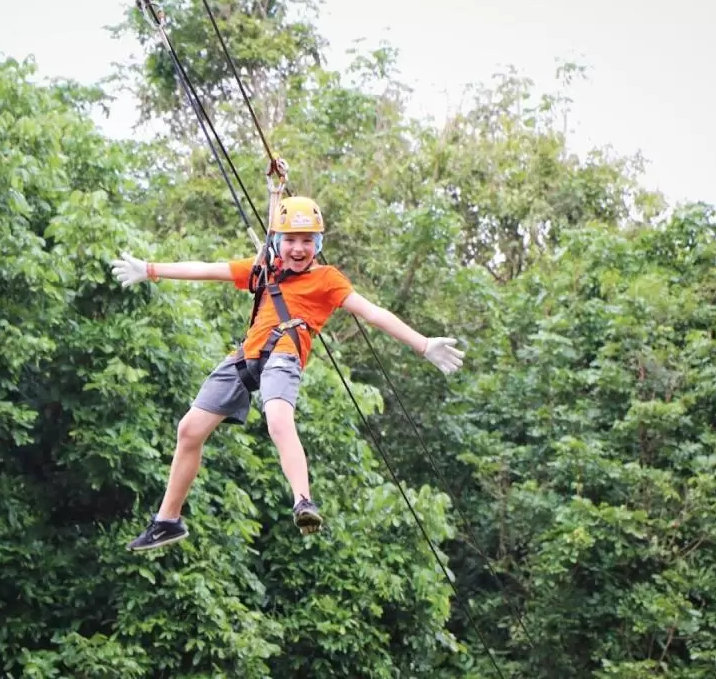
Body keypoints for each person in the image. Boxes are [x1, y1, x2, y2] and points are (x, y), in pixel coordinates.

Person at [110, 195, 465, 551]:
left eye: (307, 241)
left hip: (284, 354)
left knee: (278, 419)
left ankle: (303, 500)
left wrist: (422, 344)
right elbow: (207, 268)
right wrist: (151, 269)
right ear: (279, 243)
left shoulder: (327, 279)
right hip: (244, 359)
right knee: (188, 430)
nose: (299, 248)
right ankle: (167, 521)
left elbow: (372, 312)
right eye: (291, 241)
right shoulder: (264, 268)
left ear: (318, 245)